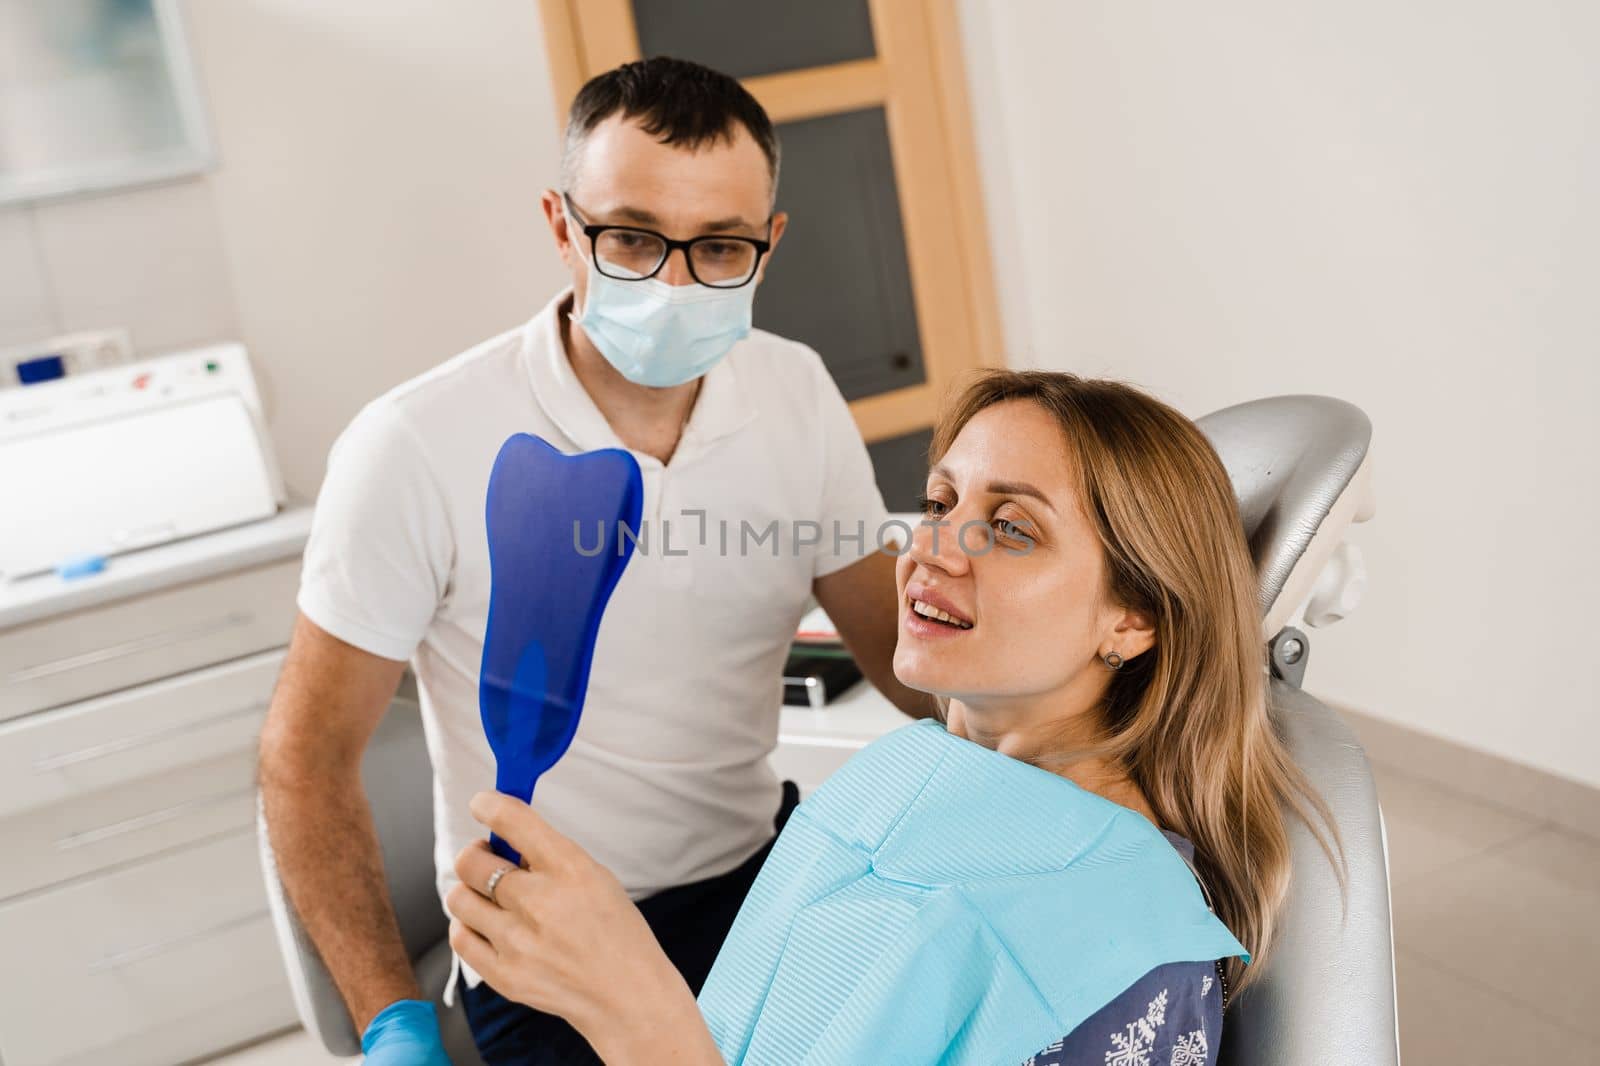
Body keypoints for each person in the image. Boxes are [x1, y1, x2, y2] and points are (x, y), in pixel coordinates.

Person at [258, 57, 935, 1065]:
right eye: (628, 237)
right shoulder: (416, 443)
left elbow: (903, 655)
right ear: (560, 224)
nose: (670, 282)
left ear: (768, 244)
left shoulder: (793, 391)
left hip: (761, 884)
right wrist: (393, 1024)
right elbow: (303, 762)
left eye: (717, 248)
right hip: (543, 937)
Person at [445, 370, 1345, 1065]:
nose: (931, 548)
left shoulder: (1123, 951)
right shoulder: (904, 769)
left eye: (1012, 528)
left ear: (1134, 617)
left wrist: (633, 1013)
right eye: (941, 502)